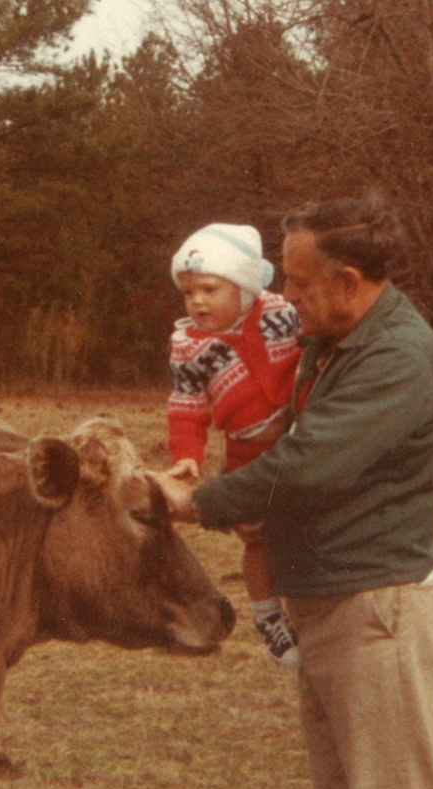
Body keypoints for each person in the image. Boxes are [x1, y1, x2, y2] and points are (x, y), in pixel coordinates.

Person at [152, 197, 433, 789]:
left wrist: (199, 502)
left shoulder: (396, 358)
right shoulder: (335, 341)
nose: (284, 295)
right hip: (330, 603)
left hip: (374, 610)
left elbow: (306, 465)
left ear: (348, 281)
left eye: (298, 281)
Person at [166, 222, 302, 666]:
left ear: (243, 286)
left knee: (301, 525)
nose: (197, 301)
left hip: (297, 437)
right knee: (256, 538)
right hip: (245, 452)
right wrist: (187, 454)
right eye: (188, 292)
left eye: (209, 289)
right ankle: (267, 615)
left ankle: (309, 605)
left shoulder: (280, 313)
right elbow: (187, 406)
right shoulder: (189, 348)